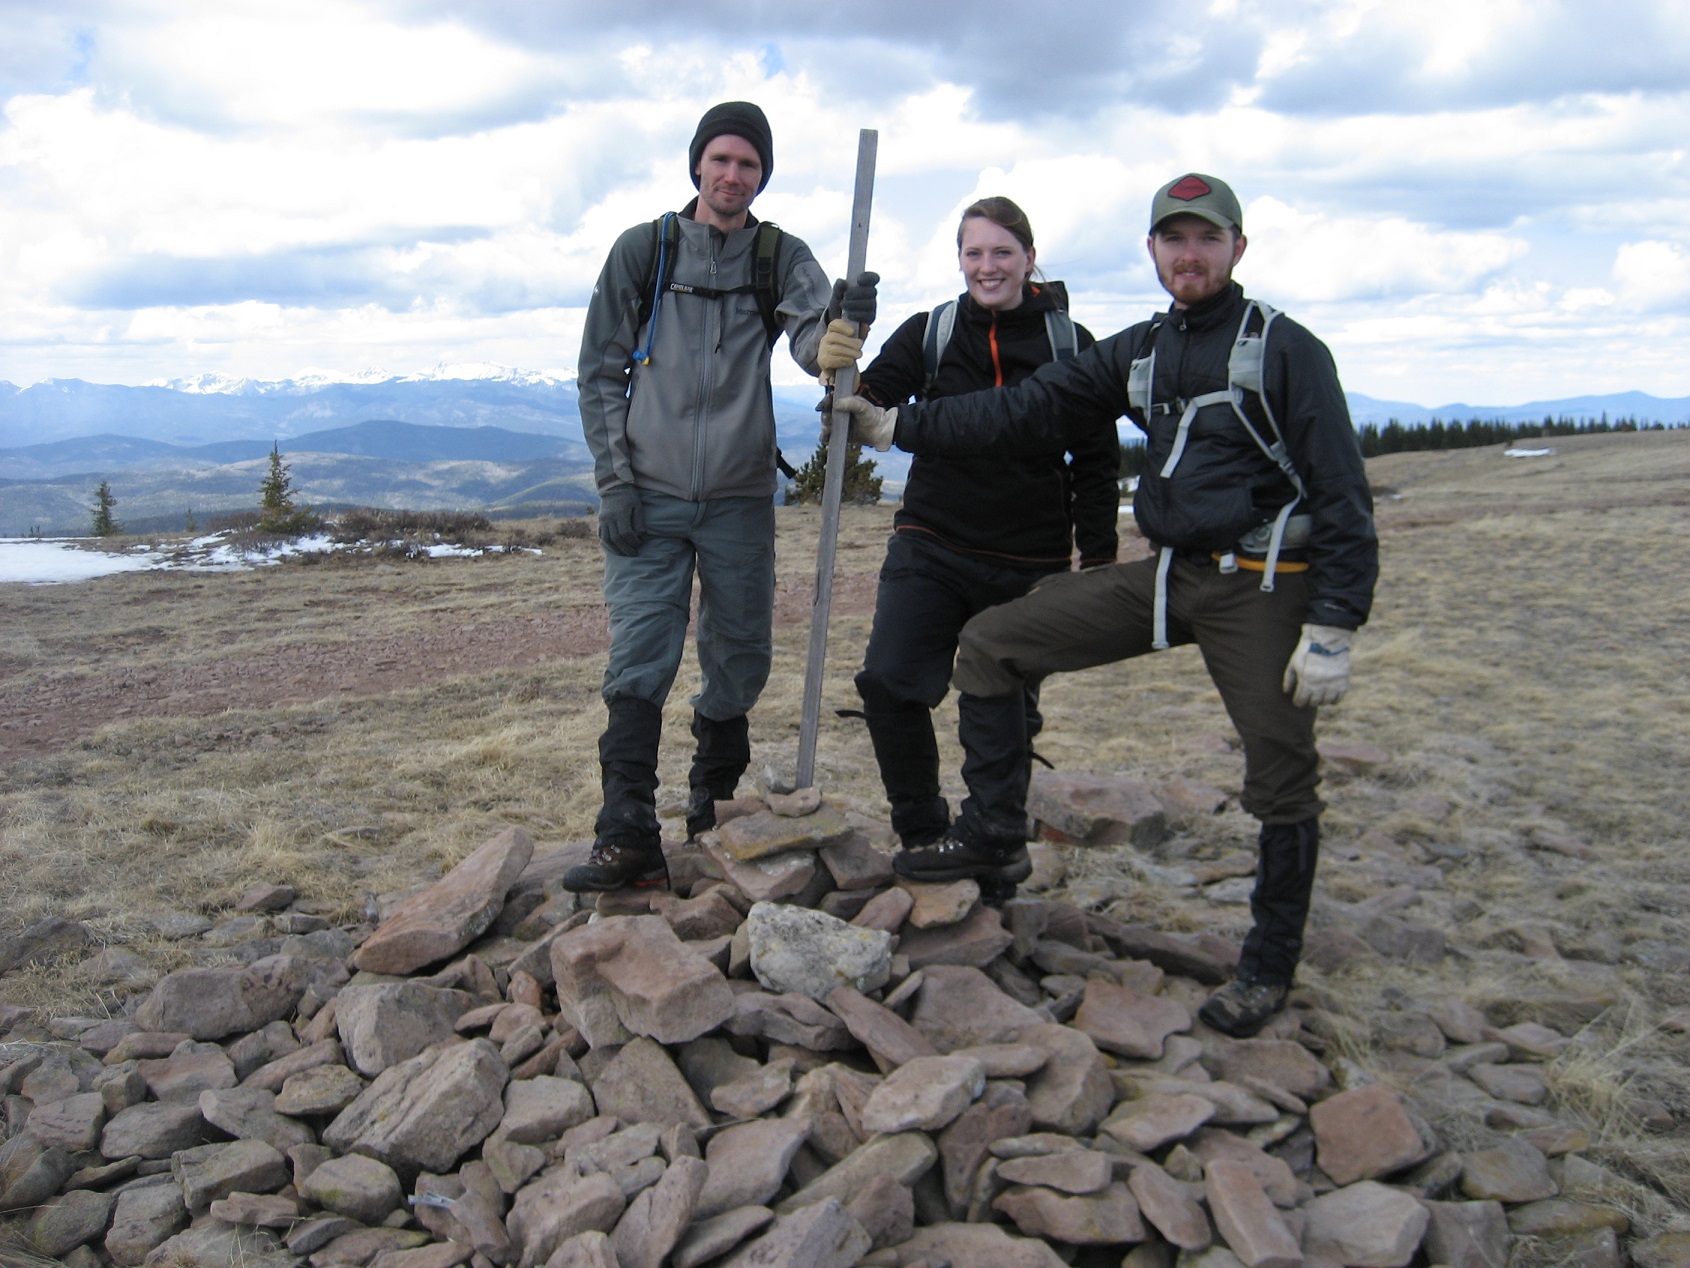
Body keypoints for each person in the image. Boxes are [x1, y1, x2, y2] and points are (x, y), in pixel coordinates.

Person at [832, 174, 1378, 1037]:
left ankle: (1268, 967)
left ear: (1238, 248)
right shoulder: (1142, 348)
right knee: (993, 644)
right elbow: (1029, 411)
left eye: (1206, 239)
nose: (1188, 255)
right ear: (1154, 252)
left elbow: (1344, 492)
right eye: (1174, 240)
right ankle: (993, 834)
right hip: (1172, 573)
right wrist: (905, 429)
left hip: (1266, 581)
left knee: (1279, 771)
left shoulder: (1284, 349)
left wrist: (1335, 622)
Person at [568, 101, 877, 892]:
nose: (733, 174)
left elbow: (812, 338)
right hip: (649, 492)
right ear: (697, 165)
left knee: (739, 658)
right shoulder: (646, 250)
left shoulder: (780, 254)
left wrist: (838, 335)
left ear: (761, 175)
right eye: (722, 159)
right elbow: (600, 371)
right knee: (641, 655)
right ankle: (626, 828)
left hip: (739, 497)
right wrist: (615, 482)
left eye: (748, 164)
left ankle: (711, 812)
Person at [845, 196, 1119, 894]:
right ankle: (924, 831)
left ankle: (992, 847)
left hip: (1030, 559)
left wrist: (1098, 559)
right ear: (959, 259)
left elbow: (1094, 459)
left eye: (1003, 252)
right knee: (888, 681)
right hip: (932, 539)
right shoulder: (933, 332)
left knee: (1001, 710)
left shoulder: (1069, 344)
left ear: (1030, 258)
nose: (988, 266)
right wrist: (839, 364)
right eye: (974, 253)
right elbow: (861, 404)